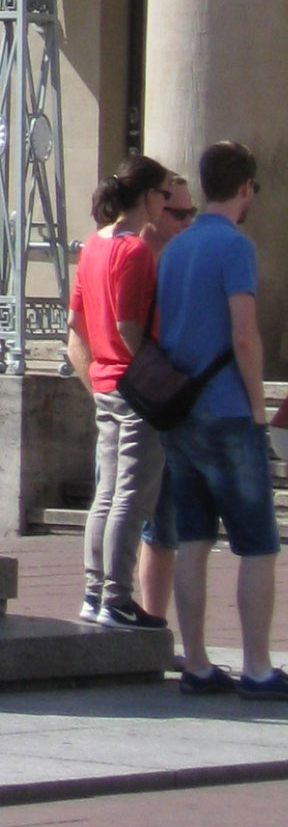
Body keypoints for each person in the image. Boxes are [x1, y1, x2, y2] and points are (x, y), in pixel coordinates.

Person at [154, 139, 285, 700]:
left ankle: (199, 662)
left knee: (193, 539)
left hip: (181, 413)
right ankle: (257, 668)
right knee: (257, 542)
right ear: (246, 188)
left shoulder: (177, 248)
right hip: (229, 410)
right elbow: (244, 333)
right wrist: (258, 406)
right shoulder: (235, 247)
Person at [65, 154, 171, 628]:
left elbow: (76, 322)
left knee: (106, 493)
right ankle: (116, 597)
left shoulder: (92, 246)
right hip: (135, 384)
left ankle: (94, 593)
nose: (165, 205)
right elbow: (130, 324)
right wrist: (157, 372)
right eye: (164, 196)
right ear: (146, 197)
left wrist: (96, 370)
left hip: (104, 382)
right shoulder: (134, 250)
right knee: (131, 494)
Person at [139, 171, 196, 625]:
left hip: (175, 403)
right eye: (179, 212)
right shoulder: (134, 256)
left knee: (166, 522)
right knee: (150, 518)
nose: (187, 221)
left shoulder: (183, 260)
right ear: (154, 209)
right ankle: (141, 618)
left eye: (192, 212)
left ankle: (154, 622)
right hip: (144, 401)